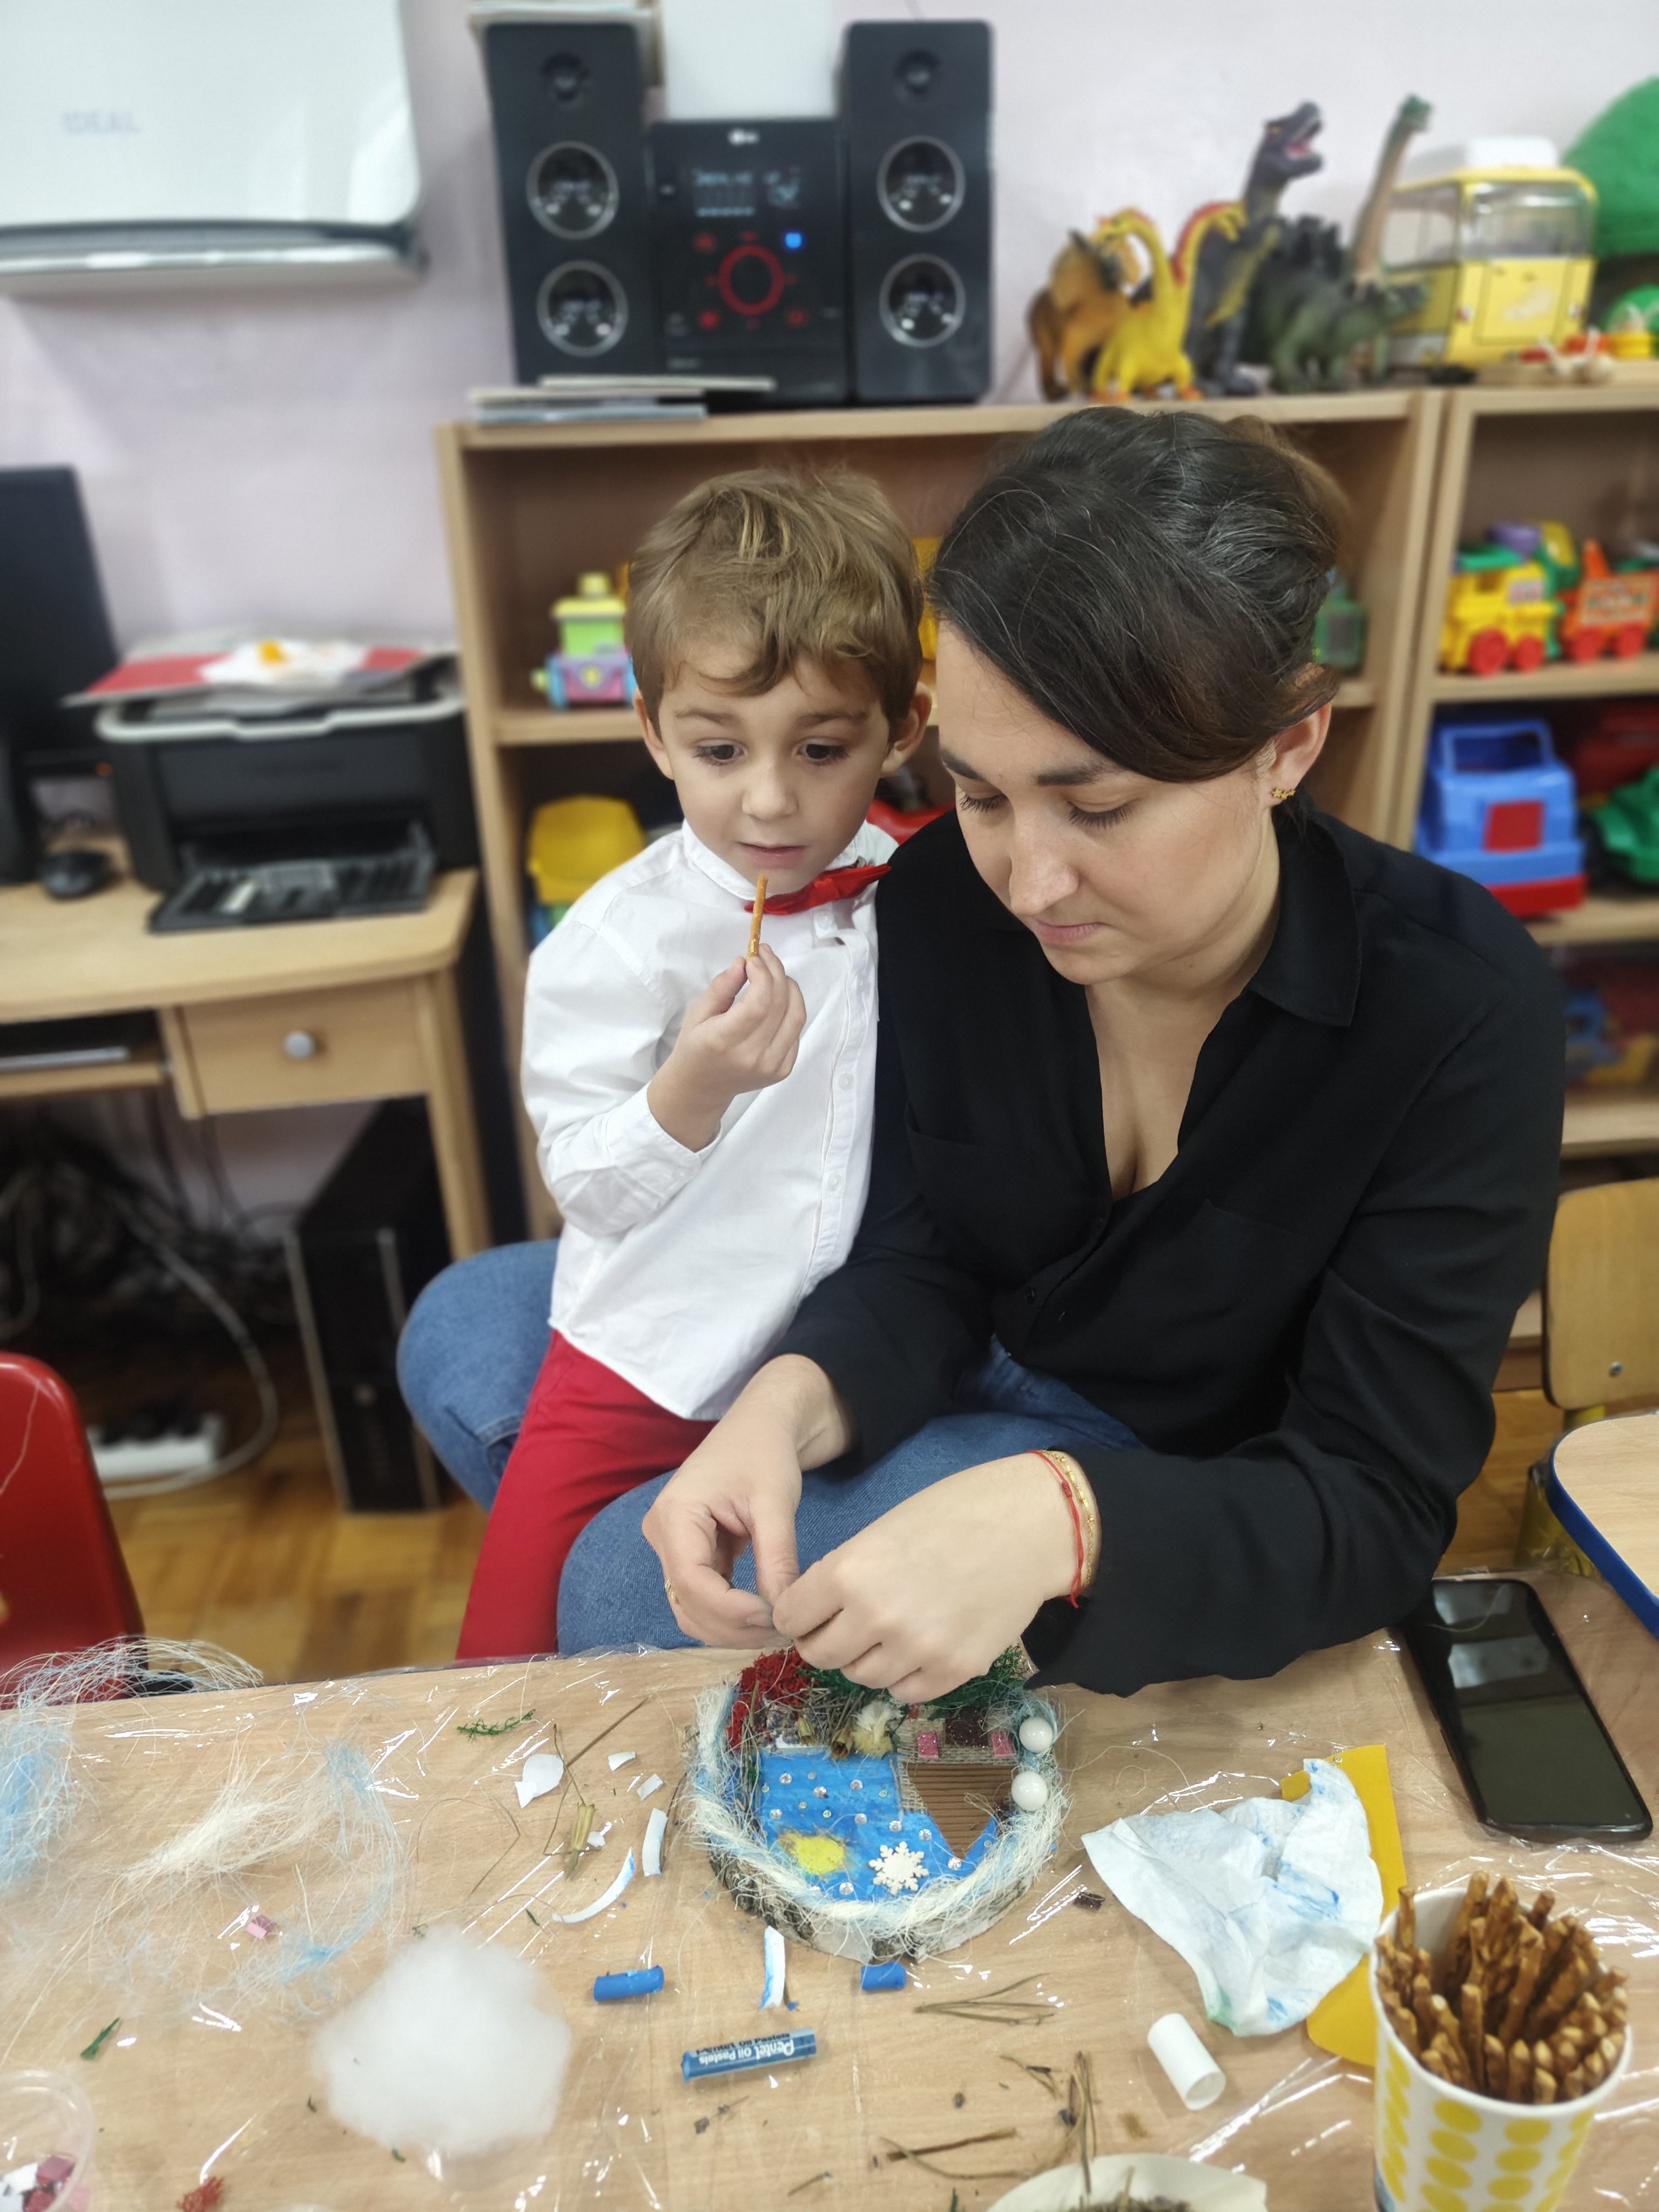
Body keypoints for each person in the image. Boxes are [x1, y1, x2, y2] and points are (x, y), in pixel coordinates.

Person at [543, 406, 1563, 1695]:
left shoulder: (1458, 1012)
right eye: (980, 793)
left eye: (1097, 806)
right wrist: (787, 1400)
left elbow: (1372, 1499)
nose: (1029, 882)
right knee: (463, 1335)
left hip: (1186, 1487)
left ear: (1287, 746)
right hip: (978, 1361)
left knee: (611, 1581)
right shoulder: (941, 903)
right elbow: (923, 1251)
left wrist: (1060, 1519)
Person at [451, 469, 929, 1661]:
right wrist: (692, 1091)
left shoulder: (921, 895)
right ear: (654, 733)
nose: (770, 800)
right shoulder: (617, 942)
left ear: (904, 728)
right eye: (720, 749)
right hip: (646, 1351)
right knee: (511, 1647)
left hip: (831, 1365)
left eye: (821, 749)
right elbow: (587, 1188)